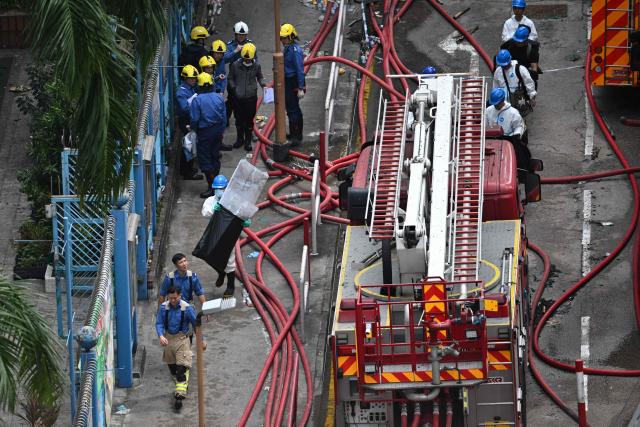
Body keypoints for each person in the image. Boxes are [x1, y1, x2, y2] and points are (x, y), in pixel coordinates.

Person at [156, 285, 205, 410]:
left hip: (182, 339)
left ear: (180, 296)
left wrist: (201, 340)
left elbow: (196, 325)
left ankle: (179, 395)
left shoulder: (187, 309)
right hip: (168, 340)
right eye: (170, 298)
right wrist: (161, 335)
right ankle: (182, 385)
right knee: (173, 370)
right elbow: (159, 323)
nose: (172, 300)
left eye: (175, 298)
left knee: (180, 368)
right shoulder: (163, 308)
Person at [201, 175, 251, 298]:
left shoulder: (234, 201)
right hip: (214, 233)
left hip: (229, 234)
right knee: (211, 256)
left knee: (229, 260)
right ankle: (221, 273)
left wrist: (245, 221)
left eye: (222, 188)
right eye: (217, 189)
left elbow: (243, 214)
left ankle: (230, 286)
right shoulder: (210, 201)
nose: (219, 191)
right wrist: (214, 209)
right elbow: (205, 213)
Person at [190, 72, 229, 198]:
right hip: (217, 131)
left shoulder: (197, 100)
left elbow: (194, 119)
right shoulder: (218, 97)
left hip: (205, 133)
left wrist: (194, 130)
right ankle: (217, 185)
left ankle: (212, 187)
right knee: (215, 156)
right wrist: (221, 130)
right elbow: (224, 117)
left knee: (205, 159)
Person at [228, 43, 266, 151]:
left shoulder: (257, 66)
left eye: (249, 59)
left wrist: (263, 84)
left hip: (251, 97)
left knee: (249, 120)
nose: (247, 61)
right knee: (238, 119)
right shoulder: (235, 65)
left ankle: (248, 141)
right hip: (238, 98)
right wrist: (234, 87)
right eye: (245, 59)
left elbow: (260, 76)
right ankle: (240, 139)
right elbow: (230, 78)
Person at [485, 88, 530, 171]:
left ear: (502, 100)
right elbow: (485, 125)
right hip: (492, 141)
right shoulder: (488, 111)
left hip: (508, 140)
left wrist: (517, 134)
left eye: (497, 104)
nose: (495, 106)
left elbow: (519, 126)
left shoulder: (513, 113)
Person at [280, 23, 306, 146]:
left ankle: (296, 136)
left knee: (293, 109)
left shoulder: (295, 51)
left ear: (291, 37)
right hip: (289, 81)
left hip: (293, 82)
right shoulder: (288, 48)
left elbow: (300, 69)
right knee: (292, 108)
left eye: (284, 38)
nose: (282, 40)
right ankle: (294, 133)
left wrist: (300, 87)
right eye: (282, 38)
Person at [226, 22, 255, 125]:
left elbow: (255, 61)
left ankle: (246, 122)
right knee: (231, 100)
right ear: (235, 35)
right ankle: (226, 120)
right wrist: (235, 51)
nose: (241, 37)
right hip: (234, 77)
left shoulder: (250, 45)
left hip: (246, 77)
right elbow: (224, 59)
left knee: (246, 101)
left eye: (243, 35)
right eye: (239, 35)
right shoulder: (230, 45)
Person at [175, 65, 202, 181]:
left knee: (190, 144)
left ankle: (186, 169)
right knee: (188, 146)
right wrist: (194, 100)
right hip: (185, 120)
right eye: (191, 78)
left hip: (190, 119)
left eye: (195, 78)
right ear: (185, 78)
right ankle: (187, 172)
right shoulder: (182, 92)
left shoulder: (191, 88)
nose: (194, 80)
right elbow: (185, 107)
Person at [493, 49, 536, 116]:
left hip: (519, 101)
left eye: (505, 65)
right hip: (505, 103)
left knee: (520, 118)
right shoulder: (498, 72)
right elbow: (496, 87)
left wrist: (532, 97)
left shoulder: (520, 69)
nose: (504, 67)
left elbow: (529, 83)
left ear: (510, 60)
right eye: (502, 65)